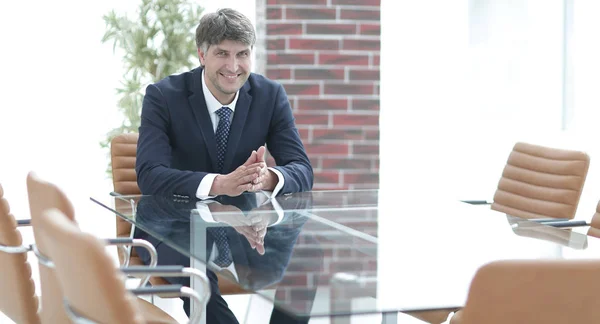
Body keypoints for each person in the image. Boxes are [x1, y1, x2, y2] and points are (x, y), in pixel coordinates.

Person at [134, 7, 313, 324]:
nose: (233, 66)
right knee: (197, 272)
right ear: (201, 54)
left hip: (245, 229)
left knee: (311, 252)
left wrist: (269, 177)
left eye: (242, 54)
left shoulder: (269, 96)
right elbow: (150, 175)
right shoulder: (163, 97)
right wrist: (218, 184)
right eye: (222, 54)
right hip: (175, 228)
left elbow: (301, 168)